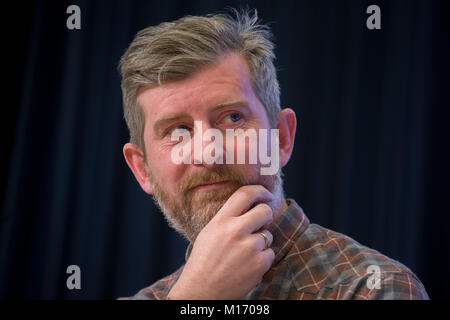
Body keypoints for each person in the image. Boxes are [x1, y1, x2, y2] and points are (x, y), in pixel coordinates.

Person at [118, 9, 429, 300]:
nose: (208, 154)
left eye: (232, 118)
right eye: (177, 131)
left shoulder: (373, 288)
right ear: (142, 169)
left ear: (281, 138)